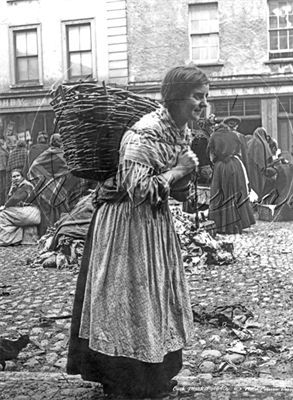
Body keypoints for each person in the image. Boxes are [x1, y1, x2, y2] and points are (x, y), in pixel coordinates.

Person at [67, 65, 208, 399]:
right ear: (175, 98)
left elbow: (174, 189)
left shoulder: (179, 130)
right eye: (197, 96)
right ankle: (125, 381)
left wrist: (185, 177)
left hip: (153, 224)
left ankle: (155, 376)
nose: (203, 103)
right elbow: (138, 189)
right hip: (125, 225)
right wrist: (179, 171)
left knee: (154, 296)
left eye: (205, 96)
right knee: (128, 299)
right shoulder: (143, 133)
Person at [26, 133, 87, 237]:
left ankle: (55, 235)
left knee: (55, 213)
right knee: (53, 214)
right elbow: (35, 167)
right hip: (50, 188)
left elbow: (34, 168)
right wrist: (48, 180)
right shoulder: (55, 154)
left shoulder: (55, 154)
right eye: (60, 141)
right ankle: (52, 235)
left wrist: (49, 180)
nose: (62, 143)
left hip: (55, 188)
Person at [207, 122, 255, 234]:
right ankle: (239, 223)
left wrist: (215, 163)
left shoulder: (214, 136)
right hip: (235, 165)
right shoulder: (234, 135)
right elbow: (241, 151)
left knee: (219, 193)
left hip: (220, 167)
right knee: (237, 192)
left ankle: (221, 225)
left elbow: (210, 154)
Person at [0, 169, 40, 246]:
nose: (16, 178)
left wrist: (5, 206)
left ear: (22, 177)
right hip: (27, 212)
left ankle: (6, 240)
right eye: (14, 177)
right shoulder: (18, 187)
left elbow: (16, 198)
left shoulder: (26, 186)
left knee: (3, 214)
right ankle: (15, 239)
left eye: (18, 176)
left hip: (32, 212)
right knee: (9, 215)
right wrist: (12, 190)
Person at [247, 127, 275, 199]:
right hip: (261, 170)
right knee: (261, 186)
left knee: (253, 185)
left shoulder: (249, 143)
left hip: (251, 169)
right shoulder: (263, 143)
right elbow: (268, 157)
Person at [0, 139, 9, 206]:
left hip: (2, 169)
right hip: (3, 170)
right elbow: (9, 157)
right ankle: (2, 201)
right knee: (3, 186)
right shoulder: (4, 152)